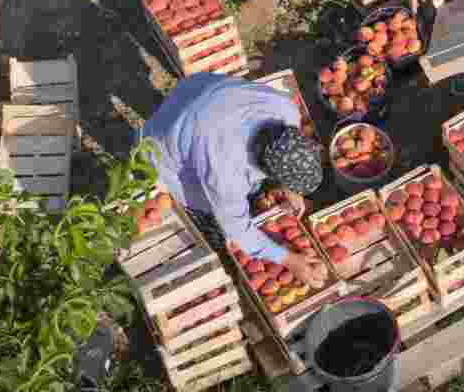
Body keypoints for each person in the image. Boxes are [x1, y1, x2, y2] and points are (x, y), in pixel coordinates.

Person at [136, 72, 328, 286]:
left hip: (196, 92)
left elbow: (286, 152)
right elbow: (237, 229)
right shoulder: (224, 171)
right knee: (207, 206)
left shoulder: (285, 109)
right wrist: (290, 260)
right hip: (165, 145)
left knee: (186, 118)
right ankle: (208, 225)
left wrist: (290, 187)